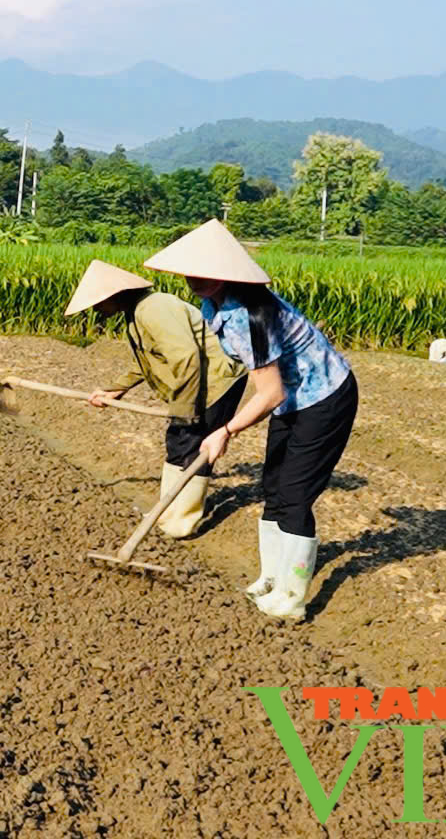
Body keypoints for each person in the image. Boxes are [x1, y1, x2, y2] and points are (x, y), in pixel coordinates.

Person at [143, 220, 359, 619]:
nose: (196, 279)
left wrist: (226, 430)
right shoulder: (214, 306)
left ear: (227, 274)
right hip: (291, 399)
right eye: (191, 271)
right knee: (272, 486)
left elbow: (270, 391)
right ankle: (271, 578)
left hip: (324, 398)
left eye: (206, 272)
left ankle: (292, 597)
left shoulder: (246, 315)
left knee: (295, 495)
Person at [66, 259, 247, 538]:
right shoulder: (136, 314)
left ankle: (181, 522)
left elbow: (186, 358)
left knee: (194, 447)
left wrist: (184, 410)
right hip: (199, 383)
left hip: (217, 383)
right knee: (178, 442)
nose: (96, 310)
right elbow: (149, 361)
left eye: (97, 303)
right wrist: (116, 389)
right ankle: (167, 511)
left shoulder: (154, 308)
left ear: (113, 295)